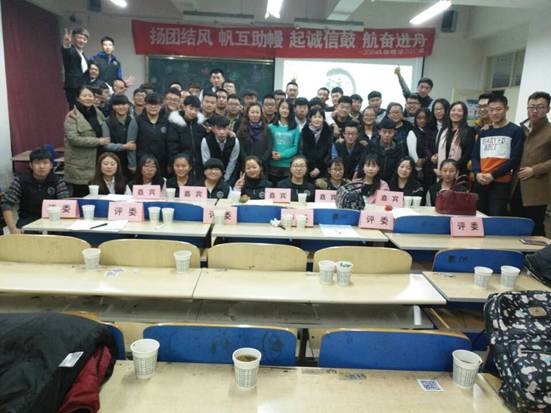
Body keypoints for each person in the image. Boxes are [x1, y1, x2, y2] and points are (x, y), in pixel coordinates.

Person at [472, 94, 523, 216]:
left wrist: (492, 175)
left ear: (506, 109)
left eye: (498, 109)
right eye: (491, 110)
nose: (494, 113)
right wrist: (477, 173)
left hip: (500, 183)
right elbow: (474, 156)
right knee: (478, 216)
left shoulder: (515, 130)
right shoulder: (484, 131)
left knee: (495, 217)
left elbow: (515, 159)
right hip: (481, 181)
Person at [1, 148, 69, 233]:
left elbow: (65, 203)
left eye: (45, 163)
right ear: (31, 165)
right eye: (37, 163)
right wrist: (12, 229)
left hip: (53, 220)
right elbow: (6, 203)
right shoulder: (21, 180)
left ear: (51, 165)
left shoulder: (57, 181)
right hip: (27, 220)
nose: (41, 166)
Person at [511, 91, 551, 235]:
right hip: (516, 184)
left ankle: (540, 250)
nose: (535, 111)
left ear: (548, 109)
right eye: (532, 107)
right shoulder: (521, 129)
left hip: (537, 186)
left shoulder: (549, 131)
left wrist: (535, 170)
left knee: (535, 226)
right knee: (515, 223)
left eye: (540, 107)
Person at [64, 86, 109, 197]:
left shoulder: (97, 112)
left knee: (99, 194)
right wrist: (97, 141)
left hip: (98, 159)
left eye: (90, 95)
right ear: (78, 98)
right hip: (80, 165)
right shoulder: (72, 116)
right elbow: (73, 139)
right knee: (82, 195)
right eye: (84, 96)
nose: (88, 98)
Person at [167, 95, 205, 181]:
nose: (193, 112)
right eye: (191, 108)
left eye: (196, 110)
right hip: (181, 166)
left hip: (198, 166)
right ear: (184, 107)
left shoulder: (201, 125)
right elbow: (172, 147)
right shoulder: (175, 124)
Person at [433, 101, 475, 176]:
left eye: (459, 111)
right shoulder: (443, 130)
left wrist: (450, 169)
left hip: (459, 172)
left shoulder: (469, 131)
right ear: (449, 112)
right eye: (453, 110)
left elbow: (467, 155)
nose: (456, 113)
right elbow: (437, 151)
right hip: (441, 172)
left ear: (464, 114)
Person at [101, 94, 137, 177]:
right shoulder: (107, 122)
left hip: (131, 160)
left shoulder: (133, 121)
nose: (121, 107)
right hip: (112, 160)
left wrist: (133, 163)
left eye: (124, 104)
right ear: (113, 107)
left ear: (128, 105)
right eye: (117, 105)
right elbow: (106, 145)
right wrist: (124, 146)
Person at [362, 118, 406, 183]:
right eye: (384, 132)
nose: (387, 135)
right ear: (379, 132)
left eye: (390, 132)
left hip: (392, 182)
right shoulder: (371, 146)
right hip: (372, 180)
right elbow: (363, 163)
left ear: (394, 133)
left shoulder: (399, 148)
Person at [135, 92, 169, 177]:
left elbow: (170, 143)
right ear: (145, 105)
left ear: (161, 106)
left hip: (162, 163)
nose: (153, 107)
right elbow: (132, 142)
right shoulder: (137, 120)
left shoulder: (166, 121)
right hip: (142, 162)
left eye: (156, 104)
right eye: (150, 104)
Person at [201, 115, 240, 183]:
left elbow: (232, 161)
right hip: (211, 174)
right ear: (213, 129)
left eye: (224, 129)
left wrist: (226, 178)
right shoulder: (206, 141)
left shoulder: (234, 141)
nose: (222, 132)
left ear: (228, 129)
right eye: (218, 129)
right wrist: (213, 176)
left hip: (229, 175)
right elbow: (206, 161)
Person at [268, 100, 300, 183]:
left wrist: (282, 155)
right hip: (272, 164)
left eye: (287, 108)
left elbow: (295, 147)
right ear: (278, 109)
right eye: (283, 108)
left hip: (288, 166)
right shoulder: (270, 127)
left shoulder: (295, 128)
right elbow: (267, 144)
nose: (285, 110)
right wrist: (271, 152)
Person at [406, 108, 436, 192]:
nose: (422, 120)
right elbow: (412, 153)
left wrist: (426, 159)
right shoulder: (413, 132)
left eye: (425, 118)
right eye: (419, 118)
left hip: (432, 167)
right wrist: (419, 169)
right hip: (419, 170)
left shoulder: (433, 131)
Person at [236, 103, 273, 171]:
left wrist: (261, 161)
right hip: (247, 165)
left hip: (262, 165)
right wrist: (248, 162)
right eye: (252, 112)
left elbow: (269, 148)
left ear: (261, 114)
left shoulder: (267, 129)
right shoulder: (242, 130)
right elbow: (241, 149)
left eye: (257, 112)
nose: (255, 115)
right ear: (248, 114)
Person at [61, 27, 90, 108]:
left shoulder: (82, 54)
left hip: (83, 87)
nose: (82, 40)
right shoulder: (71, 50)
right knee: (75, 110)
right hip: (73, 87)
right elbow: (66, 52)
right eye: (79, 38)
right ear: (73, 38)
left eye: (84, 39)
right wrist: (66, 44)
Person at [301, 108, 332, 181]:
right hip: (307, 168)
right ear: (310, 118)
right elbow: (303, 151)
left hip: (323, 169)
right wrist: (311, 167)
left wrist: (319, 168)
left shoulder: (328, 131)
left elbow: (329, 153)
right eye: (314, 117)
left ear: (323, 119)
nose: (317, 119)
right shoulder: (305, 131)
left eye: (320, 117)